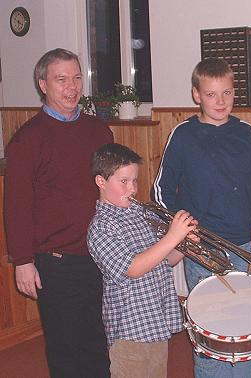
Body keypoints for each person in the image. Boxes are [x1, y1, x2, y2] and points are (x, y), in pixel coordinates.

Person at [153, 57, 251, 377]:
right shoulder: (183, 134)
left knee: (246, 327)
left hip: (244, 244)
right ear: (196, 95)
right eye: (211, 94)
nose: (221, 102)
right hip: (201, 250)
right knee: (211, 333)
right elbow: (162, 190)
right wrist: (182, 230)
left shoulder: (247, 133)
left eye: (228, 93)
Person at [4, 48, 113, 377]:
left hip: (101, 254)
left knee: (98, 344)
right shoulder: (27, 140)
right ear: (43, 85)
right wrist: (23, 261)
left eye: (77, 77)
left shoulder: (99, 131)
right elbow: (16, 206)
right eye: (61, 79)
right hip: (57, 262)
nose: (72, 86)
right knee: (67, 350)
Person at [87, 143, 197, 378]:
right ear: (101, 182)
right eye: (124, 181)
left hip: (156, 320)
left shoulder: (141, 215)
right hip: (129, 330)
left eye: (135, 180)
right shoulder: (101, 227)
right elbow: (133, 268)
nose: (133, 188)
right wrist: (172, 236)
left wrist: (185, 246)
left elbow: (162, 260)